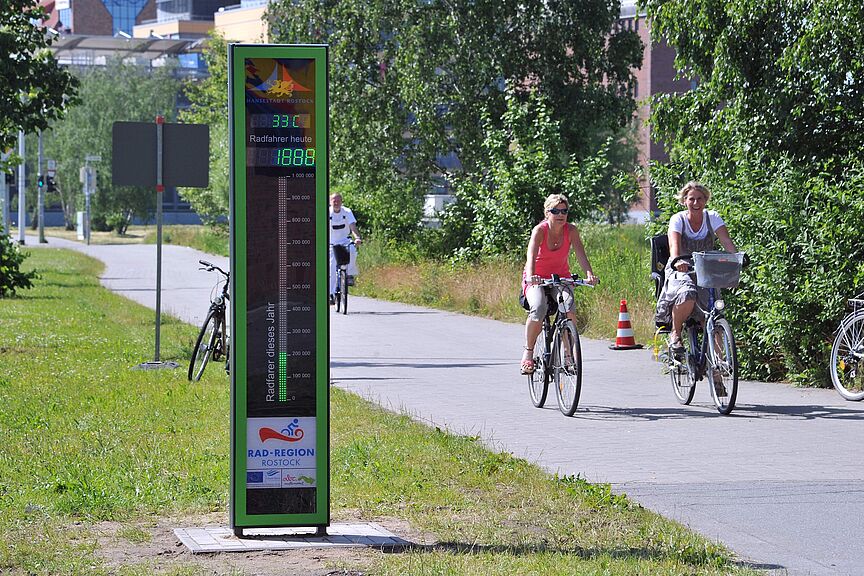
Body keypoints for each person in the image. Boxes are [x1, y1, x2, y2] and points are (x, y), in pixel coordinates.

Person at [655, 181, 737, 358]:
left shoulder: (712, 217)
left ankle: (719, 369)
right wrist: (677, 260)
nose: (696, 203)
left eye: (700, 199)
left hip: (706, 269)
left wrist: (736, 259)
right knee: (687, 293)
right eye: (691, 199)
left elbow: (726, 241)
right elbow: (673, 245)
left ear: (705, 200)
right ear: (684, 201)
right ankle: (675, 334)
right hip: (681, 268)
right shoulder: (678, 219)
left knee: (712, 313)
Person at [521, 194, 598, 374]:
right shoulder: (540, 230)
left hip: (560, 277)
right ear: (547, 213)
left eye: (564, 211)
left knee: (568, 307)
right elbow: (530, 256)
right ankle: (528, 353)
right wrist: (532, 276)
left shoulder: (571, 231)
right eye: (556, 211)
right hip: (537, 278)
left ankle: (568, 354)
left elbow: (581, 254)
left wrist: (589, 275)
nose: (561, 214)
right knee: (538, 308)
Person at [329, 193, 362, 304]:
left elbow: (352, 227)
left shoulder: (347, 212)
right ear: (330, 202)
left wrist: (357, 237)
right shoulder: (327, 213)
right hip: (331, 243)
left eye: (338, 200)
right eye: (334, 200)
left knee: (352, 251)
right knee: (332, 267)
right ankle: (331, 294)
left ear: (341, 201)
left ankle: (349, 275)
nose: (336, 203)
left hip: (344, 241)